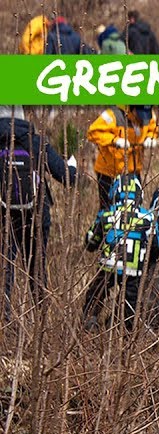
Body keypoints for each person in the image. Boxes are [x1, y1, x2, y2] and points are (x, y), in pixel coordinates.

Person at [0, 105, 76, 315]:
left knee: (5, 268)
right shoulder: (36, 142)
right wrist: (73, 164)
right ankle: (41, 318)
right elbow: (68, 178)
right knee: (37, 268)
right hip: (36, 213)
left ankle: (4, 321)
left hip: (4, 216)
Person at [82, 174, 159, 330]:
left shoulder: (107, 215)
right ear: (140, 195)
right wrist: (148, 260)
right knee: (130, 303)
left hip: (108, 265)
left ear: (114, 192)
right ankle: (120, 325)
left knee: (96, 292)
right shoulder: (147, 218)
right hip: (134, 268)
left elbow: (90, 242)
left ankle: (90, 319)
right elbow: (157, 244)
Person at [87, 105, 159, 210]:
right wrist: (114, 140)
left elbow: (153, 129)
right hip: (109, 172)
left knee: (134, 207)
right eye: (139, 113)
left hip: (133, 171)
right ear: (132, 107)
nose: (141, 118)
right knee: (108, 209)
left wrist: (150, 137)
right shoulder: (112, 115)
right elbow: (93, 132)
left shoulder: (148, 115)